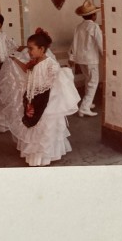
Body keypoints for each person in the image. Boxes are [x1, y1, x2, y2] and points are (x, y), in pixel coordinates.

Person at [7, 29, 80, 166]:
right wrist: (15, 60)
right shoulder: (34, 61)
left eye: (31, 48)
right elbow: (26, 69)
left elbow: (56, 83)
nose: (29, 52)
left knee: (45, 129)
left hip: (47, 102)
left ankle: (45, 157)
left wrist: (50, 101)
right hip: (34, 99)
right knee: (33, 126)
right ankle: (34, 155)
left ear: (42, 49)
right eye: (28, 48)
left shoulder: (50, 64)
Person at [68, 0, 103, 117]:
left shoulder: (78, 27)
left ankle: (88, 103)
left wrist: (71, 57)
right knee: (93, 82)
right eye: (95, 14)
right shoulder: (94, 27)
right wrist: (106, 56)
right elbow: (100, 43)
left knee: (88, 81)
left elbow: (74, 43)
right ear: (93, 15)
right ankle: (84, 108)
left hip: (80, 59)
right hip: (91, 60)